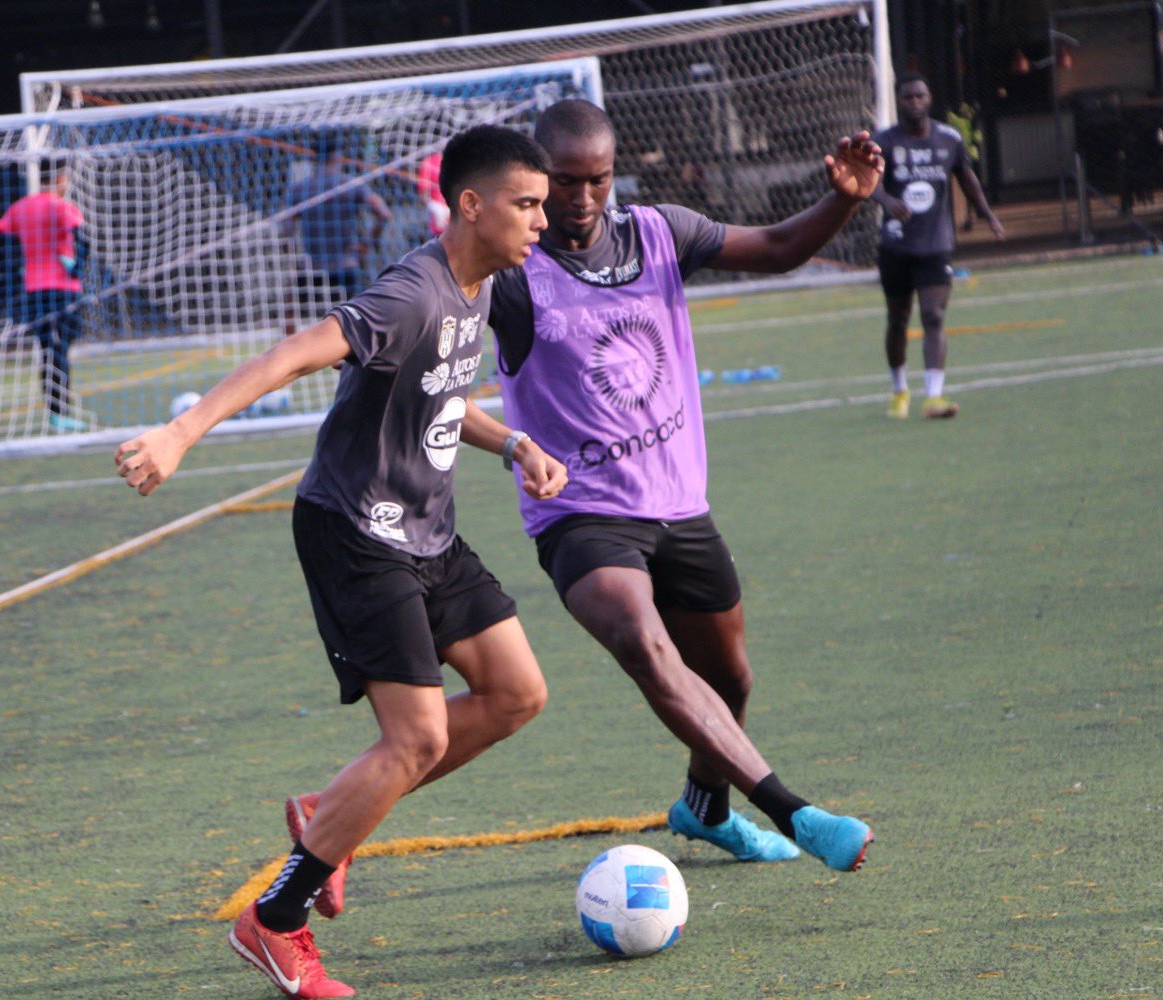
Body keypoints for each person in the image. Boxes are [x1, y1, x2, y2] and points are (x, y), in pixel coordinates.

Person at [116, 124, 567, 999]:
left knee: (517, 695)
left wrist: (513, 442)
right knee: (418, 736)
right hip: (356, 531)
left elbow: (441, 391)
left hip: (425, 527)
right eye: (527, 204)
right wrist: (180, 431)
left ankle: (330, 813)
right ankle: (272, 921)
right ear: (470, 205)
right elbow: (291, 353)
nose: (543, 222)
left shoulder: (478, 286)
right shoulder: (411, 292)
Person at [476, 98, 879, 874]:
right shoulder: (515, 273)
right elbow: (435, 312)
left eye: (596, 180)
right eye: (563, 182)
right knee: (645, 642)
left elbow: (778, 247)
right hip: (582, 515)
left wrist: (843, 198)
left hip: (678, 507)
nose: (582, 199)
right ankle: (795, 811)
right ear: (537, 177)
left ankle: (705, 807)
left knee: (730, 678)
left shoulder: (662, 233)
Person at [872, 73, 1005, 420]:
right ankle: (900, 388)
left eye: (920, 96)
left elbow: (967, 179)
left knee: (933, 316)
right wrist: (885, 201)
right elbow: (867, 183)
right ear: (899, 101)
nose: (914, 102)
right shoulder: (884, 142)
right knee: (898, 319)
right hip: (897, 246)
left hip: (935, 244)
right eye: (907, 97)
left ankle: (934, 395)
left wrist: (988, 215)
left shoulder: (948, 139)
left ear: (929, 99)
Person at [0, 170, 89, 432]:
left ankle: (56, 412)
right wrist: (75, 268)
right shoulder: (61, 206)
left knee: (49, 350)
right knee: (59, 351)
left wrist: (17, 267)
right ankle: (60, 412)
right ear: (60, 178)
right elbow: (84, 239)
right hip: (63, 289)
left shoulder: (20, 208)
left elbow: (0, 237)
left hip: (34, 290)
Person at [284, 134, 394, 308]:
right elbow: (383, 214)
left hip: (313, 267)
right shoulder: (349, 184)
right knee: (355, 318)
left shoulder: (299, 189)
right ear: (336, 156)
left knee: (290, 311)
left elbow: (287, 231)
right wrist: (367, 245)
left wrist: (293, 258)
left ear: (313, 157)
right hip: (345, 265)